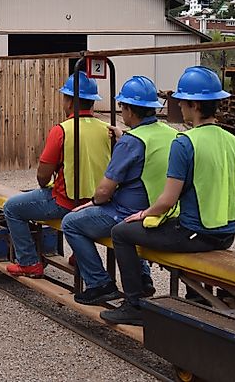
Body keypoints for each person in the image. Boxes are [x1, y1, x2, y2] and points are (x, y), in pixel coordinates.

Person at [101, 66, 235, 326]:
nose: (179, 104)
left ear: (193, 104)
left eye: (181, 100)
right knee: (169, 228)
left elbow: (168, 201)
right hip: (226, 234)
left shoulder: (185, 142)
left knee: (122, 232)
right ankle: (196, 296)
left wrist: (143, 214)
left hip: (195, 234)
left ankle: (134, 304)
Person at [61, 76, 177, 305]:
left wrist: (93, 201)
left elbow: (105, 190)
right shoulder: (171, 134)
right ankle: (143, 277)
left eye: (122, 106)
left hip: (128, 212)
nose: (121, 112)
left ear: (130, 110)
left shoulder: (130, 143)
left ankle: (99, 283)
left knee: (71, 223)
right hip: (159, 209)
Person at [4, 72, 112, 278]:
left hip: (65, 202)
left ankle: (28, 262)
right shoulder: (107, 129)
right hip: (97, 203)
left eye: (65, 97)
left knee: (12, 208)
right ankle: (79, 253)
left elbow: (43, 175)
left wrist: (45, 184)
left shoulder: (62, 130)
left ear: (70, 102)